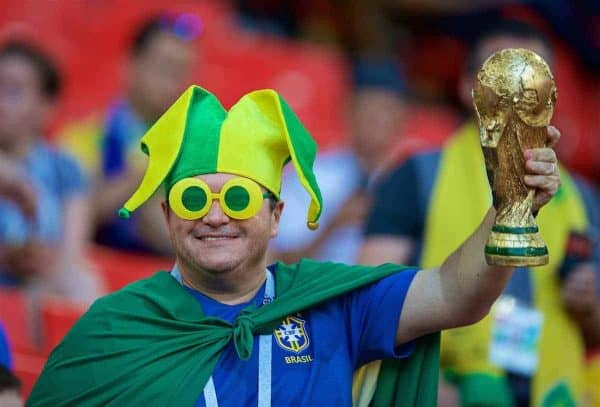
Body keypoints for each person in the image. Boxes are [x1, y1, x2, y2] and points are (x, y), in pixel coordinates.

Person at [28, 84, 560, 406]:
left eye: (237, 198)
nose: (215, 216)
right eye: (193, 199)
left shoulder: (329, 301)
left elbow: (452, 294)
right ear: (168, 216)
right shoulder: (114, 328)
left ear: (276, 215)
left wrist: (511, 203)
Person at [359, 22, 600, 407]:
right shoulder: (417, 177)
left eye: (531, 78)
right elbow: (368, 305)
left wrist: (589, 309)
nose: (518, 93)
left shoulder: (582, 198)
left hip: (555, 393)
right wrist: (426, 386)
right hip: (447, 388)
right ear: (468, 87)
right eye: (503, 76)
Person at [60, 13, 200, 255]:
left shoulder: (195, 147)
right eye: (166, 68)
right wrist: (145, 173)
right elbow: (69, 219)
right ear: (130, 65)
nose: (174, 84)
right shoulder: (85, 138)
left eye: (181, 73)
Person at [270, 57, 406, 264]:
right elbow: (280, 261)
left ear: (401, 118)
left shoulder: (408, 181)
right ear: (347, 111)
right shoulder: (311, 174)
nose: (374, 119)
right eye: (366, 108)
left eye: (385, 110)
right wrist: (334, 224)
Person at [0, 41, 104, 305]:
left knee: (81, 278)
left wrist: (39, 260)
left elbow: (72, 251)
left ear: (46, 107)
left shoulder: (66, 169)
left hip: (38, 288)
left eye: (13, 90)